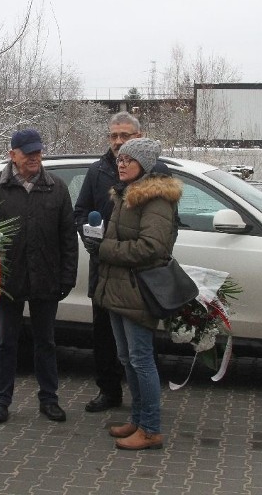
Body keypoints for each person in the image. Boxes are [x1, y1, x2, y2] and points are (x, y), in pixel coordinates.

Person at [0, 129, 78, 424]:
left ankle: (49, 399)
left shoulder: (57, 188)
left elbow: (68, 238)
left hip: (46, 279)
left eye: (38, 151)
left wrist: (67, 278)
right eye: (28, 152)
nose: (35, 157)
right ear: (13, 155)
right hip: (8, 280)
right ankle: (1, 401)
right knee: (5, 343)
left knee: (45, 342)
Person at [92, 138, 183, 450]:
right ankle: (139, 418)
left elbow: (152, 247)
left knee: (141, 359)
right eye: (120, 158)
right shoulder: (124, 194)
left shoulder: (155, 199)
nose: (121, 163)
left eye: (129, 159)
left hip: (138, 290)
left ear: (144, 164)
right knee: (126, 357)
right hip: (118, 288)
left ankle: (151, 429)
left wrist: (104, 248)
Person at [73, 111, 142, 412]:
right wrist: (89, 237)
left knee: (137, 339)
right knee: (103, 335)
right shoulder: (97, 171)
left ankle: (142, 398)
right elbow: (80, 212)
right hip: (102, 268)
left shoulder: (154, 172)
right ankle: (109, 391)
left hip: (136, 270)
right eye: (114, 136)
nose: (118, 141)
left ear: (138, 137)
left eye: (124, 135)